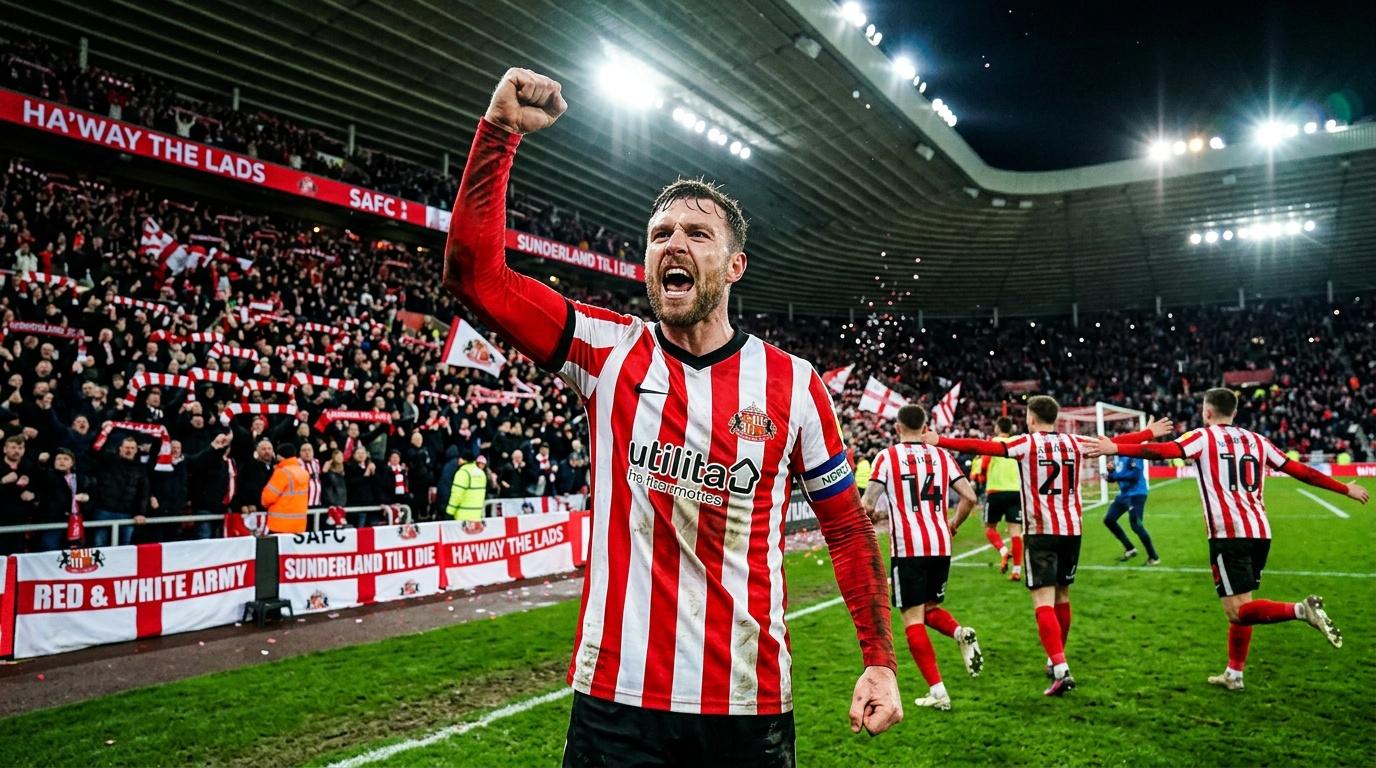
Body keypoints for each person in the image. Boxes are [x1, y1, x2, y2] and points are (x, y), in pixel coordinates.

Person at [443, 67, 899, 766]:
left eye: (696, 232)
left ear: (735, 265)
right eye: (659, 234)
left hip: (746, 705)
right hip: (617, 703)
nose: (673, 243)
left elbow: (843, 525)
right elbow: (476, 276)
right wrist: (499, 133)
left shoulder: (794, 384)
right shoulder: (606, 351)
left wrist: (879, 658)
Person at [1087, 387, 1369, 691]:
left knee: (1236, 610)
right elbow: (1299, 471)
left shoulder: (1202, 437)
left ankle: (1301, 610)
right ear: (1234, 413)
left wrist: (1116, 448)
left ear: (1207, 412)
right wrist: (1345, 489)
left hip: (1228, 533)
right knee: (1243, 606)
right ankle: (1234, 674)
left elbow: (1162, 451)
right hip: (1259, 532)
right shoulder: (1257, 440)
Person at [919, 396, 1170, 696]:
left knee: (1043, 601)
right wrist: (1147, 434)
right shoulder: (1074, 441)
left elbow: (982, 447)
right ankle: (1055, 660)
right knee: (1063, 595)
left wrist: (941, 440)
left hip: (1041, 531)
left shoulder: (1026, 444)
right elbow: (1111, 442)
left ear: (1032, 418)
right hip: (1072, 530)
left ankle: (1061, 669)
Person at [861, 405, 981, 712]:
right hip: (941, 544)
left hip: (909, 548)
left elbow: (867, 503)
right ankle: (959, 633)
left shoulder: (887, 457)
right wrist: (954, 524)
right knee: (929, 608)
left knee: (912, 619)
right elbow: (970, 497)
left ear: (898, 428)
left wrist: (873, 516)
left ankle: (938, 692)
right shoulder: (943, 456)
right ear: (925, 426)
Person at [972, 416, 1023, 581]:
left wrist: (980, 478)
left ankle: (1002, 551)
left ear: (996, 428)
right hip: (1015, 491)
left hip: (995, 491)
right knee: (1016, 532)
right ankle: (1016, 571)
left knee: (990, 528)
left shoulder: (992, 442)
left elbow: (984, 465)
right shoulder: (1017, 443)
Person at [1101, 443, 1159, 564]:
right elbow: (1118, 477)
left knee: (1136, 526)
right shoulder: (1117, 457)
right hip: (1124, 495)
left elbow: (1134, 475)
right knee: (1109, 520)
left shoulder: (1135, 454)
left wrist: (1115, 475)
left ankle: (1153, 557)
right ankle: (1130, 548)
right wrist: (1110, 473)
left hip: (1137, 494)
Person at [91, 435, 151, 547]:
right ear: (120, 448)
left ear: (136, 450)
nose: (129, 450)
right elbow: (95, 450)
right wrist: (105, 430)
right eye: (127, 447)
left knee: (126, 546)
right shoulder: (109, 460)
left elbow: (143, 492)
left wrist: (140, 513)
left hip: (127, 513)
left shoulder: (141, 468)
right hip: (104, 510)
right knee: (99, 544)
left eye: (132, 448)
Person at [36, 449, 90, 552]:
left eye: (66, 459)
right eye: (58, 459)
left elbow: (90, 491)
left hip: (75, 522)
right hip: (53, 523)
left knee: (71, 557)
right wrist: (41, 463)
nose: (61, 461)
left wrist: (87, 496)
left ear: (72, 462)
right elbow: (40, 473)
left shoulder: (80, 478)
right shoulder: (49, 475)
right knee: (51, 554)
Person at [262, 443, 310, 534]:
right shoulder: (303, 472)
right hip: (299, 525)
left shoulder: (282, 473)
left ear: (279, 456)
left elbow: (267, 498)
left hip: (280, 525)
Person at [446, 446, 487, 521]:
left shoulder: (463, 473)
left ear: (463, 460)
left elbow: (457, 495)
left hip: (462, 516)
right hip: (476, 515)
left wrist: (450, 512)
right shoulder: (481, 473)